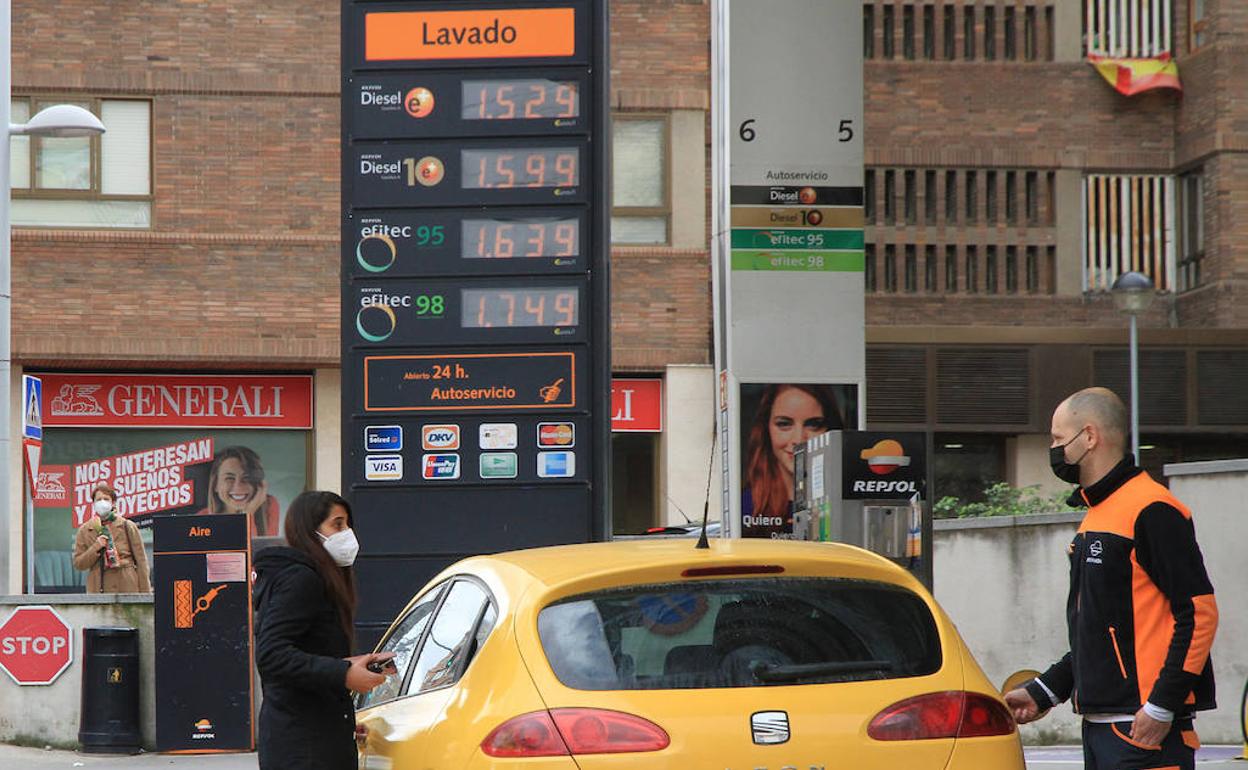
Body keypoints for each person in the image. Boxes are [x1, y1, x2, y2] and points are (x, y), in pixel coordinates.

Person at [1005, 388, 1218, 770]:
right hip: (1103, 730)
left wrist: (1161, 706)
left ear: (1089, 437)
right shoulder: (1098, 514)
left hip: (1144, 730)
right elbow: (1103, 628)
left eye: (1057, 438)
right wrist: (1045, 690)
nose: (1054, 449)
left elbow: (1199, 613)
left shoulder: (1152, 509)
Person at [253, 490, 392, 770]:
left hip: (312, 736)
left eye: (348, 524)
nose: (347, 534)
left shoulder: (314, 578)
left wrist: (348, 665)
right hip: (303, 745)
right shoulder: (302, 579)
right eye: (337, 524)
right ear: (309, 530)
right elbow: (271, 655)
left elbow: (304, 652)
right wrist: (343, 673)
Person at [742, 384, 845, 537]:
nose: (798, 439)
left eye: (813, 425)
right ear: (766, 430)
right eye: (784, 424)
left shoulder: (844, 506)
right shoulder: (745, 507)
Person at [71, 484, 151, 593]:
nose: (102, 502)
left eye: (106, 499)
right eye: (98, 499)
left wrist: (145, 593)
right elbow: (79, 564)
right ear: (94, 504)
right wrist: (96, 547)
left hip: (127, 585)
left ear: (113, 503)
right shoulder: (85, 530)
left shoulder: (127, 525)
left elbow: (141, 562)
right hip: (99, 587)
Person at [198, 446, 281, 538]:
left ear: (258, 483)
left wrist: (248, 514)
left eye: (246, 477)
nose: (238, 486)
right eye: (229, 478)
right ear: (215, 485)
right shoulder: (202, 517)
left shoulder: (269, 505)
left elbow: (259, 550)